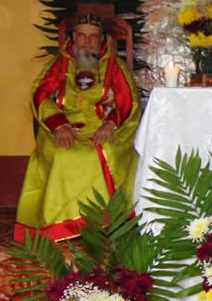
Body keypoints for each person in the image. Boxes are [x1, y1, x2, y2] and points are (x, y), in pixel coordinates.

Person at [15, 13, 140, 242]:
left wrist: (110, 124)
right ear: (73, 38)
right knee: (63, 155)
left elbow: (128, 101)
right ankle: (60, 225)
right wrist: (58, 125)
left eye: (93, 37)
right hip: (64, 125)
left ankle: (105, 221)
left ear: (102, 39)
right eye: (81, 35)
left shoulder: (114, 66)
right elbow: (40, 95)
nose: (87, 42)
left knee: (104, 152)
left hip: (102, 125)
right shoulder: (60, 64)